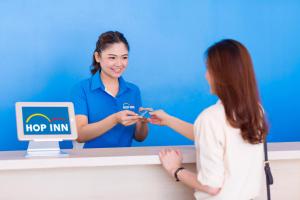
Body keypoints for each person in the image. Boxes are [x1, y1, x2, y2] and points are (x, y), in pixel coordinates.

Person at [149, 39, 268, 199]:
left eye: (208, 69)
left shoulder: (210, 118)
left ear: (222, 75)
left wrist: (175, 169)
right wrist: (168, 120)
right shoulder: (255, 111)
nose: (206, 76)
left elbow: (212, 187)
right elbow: (212, 136)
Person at [71, 31, 149, 148]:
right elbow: (80, 135)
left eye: (124, 57)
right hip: (89, 161)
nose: (119, 64)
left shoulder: (133, 91)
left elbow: (139, 137)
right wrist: (115, 119)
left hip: (125, 160)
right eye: (112, 57)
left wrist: (142, 123)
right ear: (97, 57)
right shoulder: (81, 89)